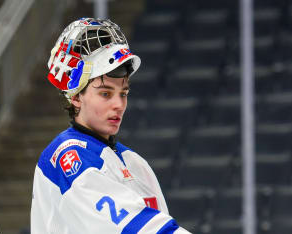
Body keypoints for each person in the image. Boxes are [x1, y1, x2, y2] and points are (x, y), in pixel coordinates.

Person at [30, 18, 191, 234]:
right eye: (105, 93)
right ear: (76, 97)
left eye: (123, 93)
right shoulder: (67, 157)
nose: (119, 105)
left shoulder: (135, 164)